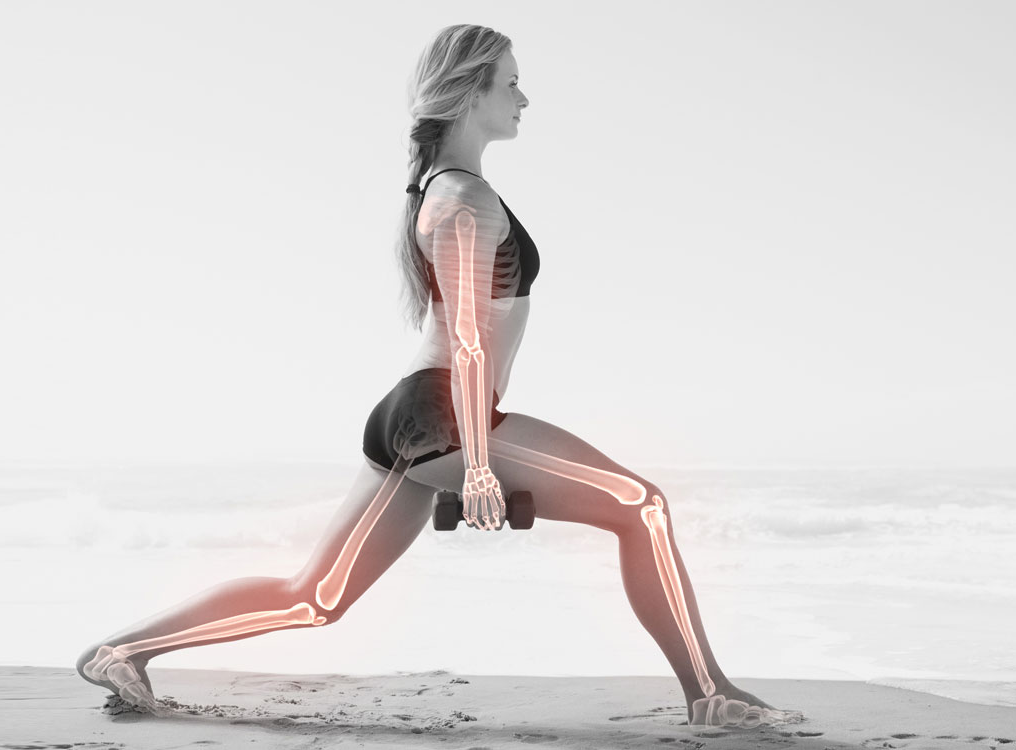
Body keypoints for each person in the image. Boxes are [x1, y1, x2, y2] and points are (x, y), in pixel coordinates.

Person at [75, 24, 799, 728]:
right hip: (448, 416)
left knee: (317, 598)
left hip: (415, 416)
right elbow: (467, 338)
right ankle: (708, 692)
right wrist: (479, 468)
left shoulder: (448, 190)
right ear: (470, 93)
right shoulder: (461, 202)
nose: (524, 99)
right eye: (511, 84)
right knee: (641, 506)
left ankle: (122, 650)